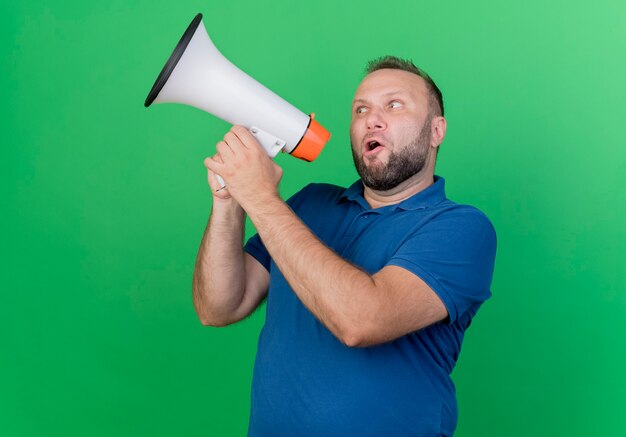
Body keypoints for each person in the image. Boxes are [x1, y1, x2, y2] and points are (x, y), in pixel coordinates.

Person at [193, 56, 497, 436]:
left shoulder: (460, 228)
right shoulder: (309, 204)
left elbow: (362, 321)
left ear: (437, 131)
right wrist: (229, 200)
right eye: (361, 109)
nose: (372, 118)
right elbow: (219, 307)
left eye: (395, 104)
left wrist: (260, 197)